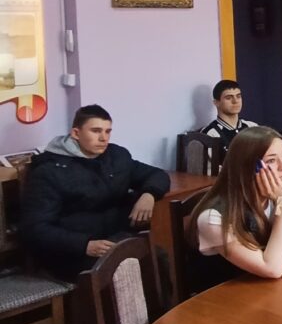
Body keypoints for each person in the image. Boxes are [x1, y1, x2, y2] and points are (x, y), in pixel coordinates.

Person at [20, 105, 171, 281]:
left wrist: (149, 194)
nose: (103, 138)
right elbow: (35, 228)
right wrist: (84, 245)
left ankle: (162, 301)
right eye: (96, 131)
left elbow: (157, 174)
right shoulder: (50, 171)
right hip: (72, 251)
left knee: (157, 258)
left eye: (108, 131)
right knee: (121, 271)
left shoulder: (116, 156)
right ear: (76, 133)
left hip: (116, 238)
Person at [191, 126, 282, 283]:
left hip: (273, 288)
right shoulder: (213, 218)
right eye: (271, 160)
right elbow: (271, 269)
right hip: (229, 295)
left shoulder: (277, 198)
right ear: (246, 167)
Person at [203, 79, 258, 151]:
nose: (235, 101)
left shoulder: (253, 127)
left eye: (238, 96)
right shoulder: (210, 133)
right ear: (216, 102)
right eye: (228, 98)